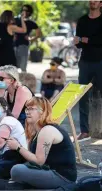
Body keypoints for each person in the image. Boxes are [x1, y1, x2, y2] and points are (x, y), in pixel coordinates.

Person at [0, 97, 77, 190]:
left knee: (17, 170)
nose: (27, 112)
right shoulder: (37, 131)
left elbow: (39, 161)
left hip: (62, 177)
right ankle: (13, 184)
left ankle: (13, 184)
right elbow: (31, 158)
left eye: (32, 109)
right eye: (27, 109)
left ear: (43, 112)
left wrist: (18, 147)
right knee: (15, 164)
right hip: (48, 170)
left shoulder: (47, 130)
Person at [74, 0, 102, 142]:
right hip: (85, 61)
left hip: (101, 61)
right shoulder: (82, 20)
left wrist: (85, 39)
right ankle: (84, 131)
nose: (92, 2)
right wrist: (84, 40)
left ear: (101, 3)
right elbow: (78, 43)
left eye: (96, 0)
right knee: (82, 95)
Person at [15, 4, 41, 72]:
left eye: (26, 10)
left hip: (24, 44)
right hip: (13, 44)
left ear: (29, 12)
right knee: (13, 65)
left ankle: (23, 79)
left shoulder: (31, 23)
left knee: (23, 65)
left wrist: (31, 39)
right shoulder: (16, 20)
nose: (24, 12)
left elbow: (38, 33)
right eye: (23, 10)